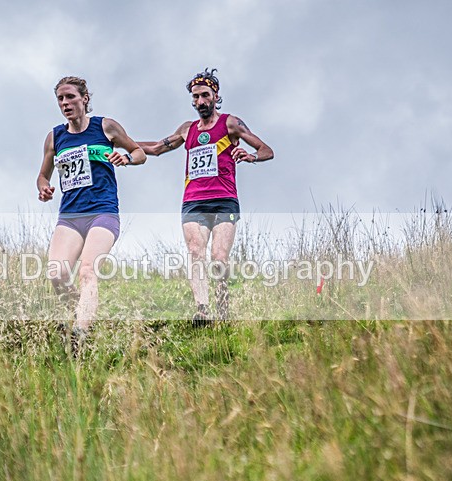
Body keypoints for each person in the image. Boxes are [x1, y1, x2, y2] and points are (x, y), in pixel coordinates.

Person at [138, 68, 274, 326]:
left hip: (224, 200)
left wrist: (251, 156)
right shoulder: (187, 129)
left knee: (219, 257)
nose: (200, 102)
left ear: (215, 96)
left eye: (204, 96)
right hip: (193, 201)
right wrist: (121, 142)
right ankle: (202, 309)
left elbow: (267, 149)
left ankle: (223, 302)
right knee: (195, 251)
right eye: (195, 97)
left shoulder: (231, 124)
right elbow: (156, 148)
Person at [36, 76, 146, 354]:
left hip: (103, 212)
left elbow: (139, 152)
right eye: (60, 99)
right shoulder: (55, 137)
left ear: (84, 98)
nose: (65, 103)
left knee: (87, 271)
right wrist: (44, 188)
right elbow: (42, 175)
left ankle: (81, 334)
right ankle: (84, 310)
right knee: (57, 274)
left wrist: (127, 158)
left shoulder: (105, 127)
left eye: (70, 97)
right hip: (70, 216)